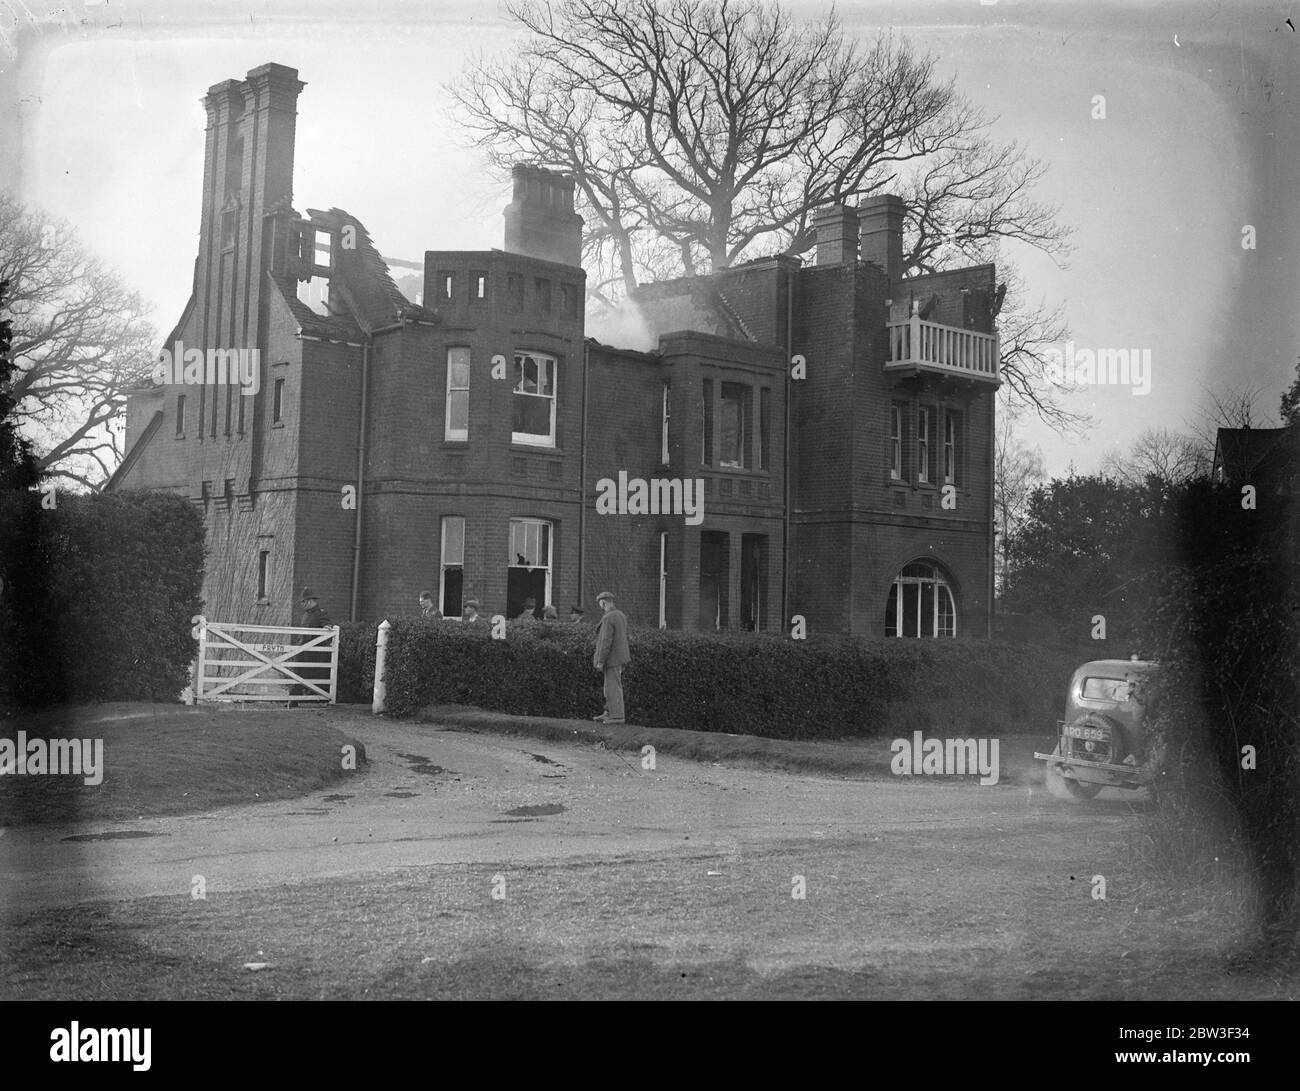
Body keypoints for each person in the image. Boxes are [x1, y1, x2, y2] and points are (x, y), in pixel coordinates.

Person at [591, 590, 630, 724]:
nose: (600, 606)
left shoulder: (608, 618)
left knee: (612, 687)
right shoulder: (620, 615)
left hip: (612, 659)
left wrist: (600, 661)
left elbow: (605, 641)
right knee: (611, 685)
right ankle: (609, 712)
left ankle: (617, 717)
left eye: (600, 604)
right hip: (621, 657)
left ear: (603, 602)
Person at [291, 587, 332, 702]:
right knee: (298, 674)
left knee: (316, 676)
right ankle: (294, 699)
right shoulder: (305, 615)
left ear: (310, 601)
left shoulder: (320, 614)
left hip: (314, 653)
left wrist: (326, 627)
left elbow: (327, 625)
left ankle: (320, 699)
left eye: (303, 601)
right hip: (303, 650)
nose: (302, 604)